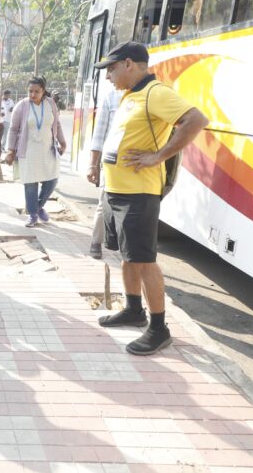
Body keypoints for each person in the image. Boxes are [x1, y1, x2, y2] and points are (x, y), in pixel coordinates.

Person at [93, 41, 208, 356]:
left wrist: (158, 157)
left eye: (111, 69)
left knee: (144, 260)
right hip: (116, 191)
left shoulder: (156, 93)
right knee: (129, 256)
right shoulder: (130, 95)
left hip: (138, 194)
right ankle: (134, 309)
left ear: (129, 64)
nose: (108, 76)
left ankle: (159, 329)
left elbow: (196, 120)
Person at [5, 76, 66, 227]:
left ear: (43, 91)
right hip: (28, 151)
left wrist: (63, 142)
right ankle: (33, 215)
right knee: (30, 183)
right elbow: (13, 129)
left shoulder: (50, 103)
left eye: (36, 91)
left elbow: (57, 124)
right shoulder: (22, 105)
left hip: (48, 149)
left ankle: (38, 206)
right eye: (30, 91)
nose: (32, 94)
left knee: (52, 180)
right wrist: (10, 151)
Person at [86, 86, 123, 259]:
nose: (109, 77)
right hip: (111, 163)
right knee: (104, 203)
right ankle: (96, 241)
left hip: (136, 166)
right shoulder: (111, 96)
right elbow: (99, 134)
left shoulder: (146, 95)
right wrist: (92, 165)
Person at [0, 89, 15, 155]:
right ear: (4, 94)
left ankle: (2, 147)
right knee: (0, 134)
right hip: (0, 120)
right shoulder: (0, 100)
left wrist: (12, 109)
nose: (8, 96)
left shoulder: (10, 101)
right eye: (7, 95)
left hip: (7, 120)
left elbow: (13, 108)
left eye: (9, 95)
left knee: (5, 134)